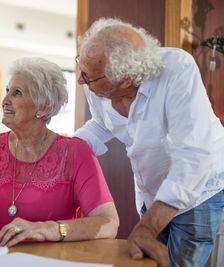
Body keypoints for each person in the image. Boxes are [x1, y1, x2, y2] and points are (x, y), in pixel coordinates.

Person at [74, 17, 224, 267]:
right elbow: (100, 125)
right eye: (80, 66)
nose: (80, 80)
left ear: (125, 80)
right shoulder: (96, 82)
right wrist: (60, 151)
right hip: (149, 191)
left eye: (88, 77)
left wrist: (147, 227)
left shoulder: (177, 70)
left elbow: (193, 156)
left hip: (198, 189)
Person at [0, 57, 119, 247]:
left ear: (43, 107)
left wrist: (48, 229)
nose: (5, 100)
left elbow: (108, 223)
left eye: (17, 93)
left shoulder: (76, 153)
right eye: (7, 91)